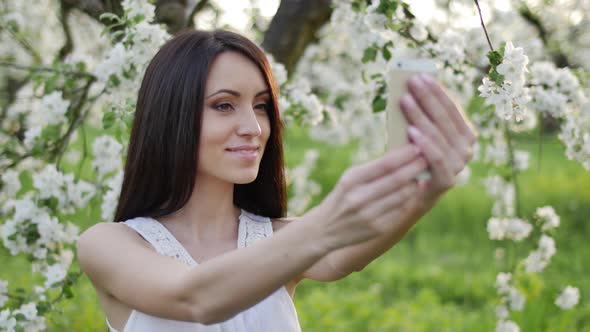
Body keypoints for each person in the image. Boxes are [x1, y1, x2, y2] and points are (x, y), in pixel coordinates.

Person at [77, 29, 476, 332]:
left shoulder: (281, 240)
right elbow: (194, 298)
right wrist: (327, 222)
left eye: (262, 106)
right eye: (224, 105)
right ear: (172, 116)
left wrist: (425, 185)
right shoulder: (108, 245)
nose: (254, 127)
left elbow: (350, 247)